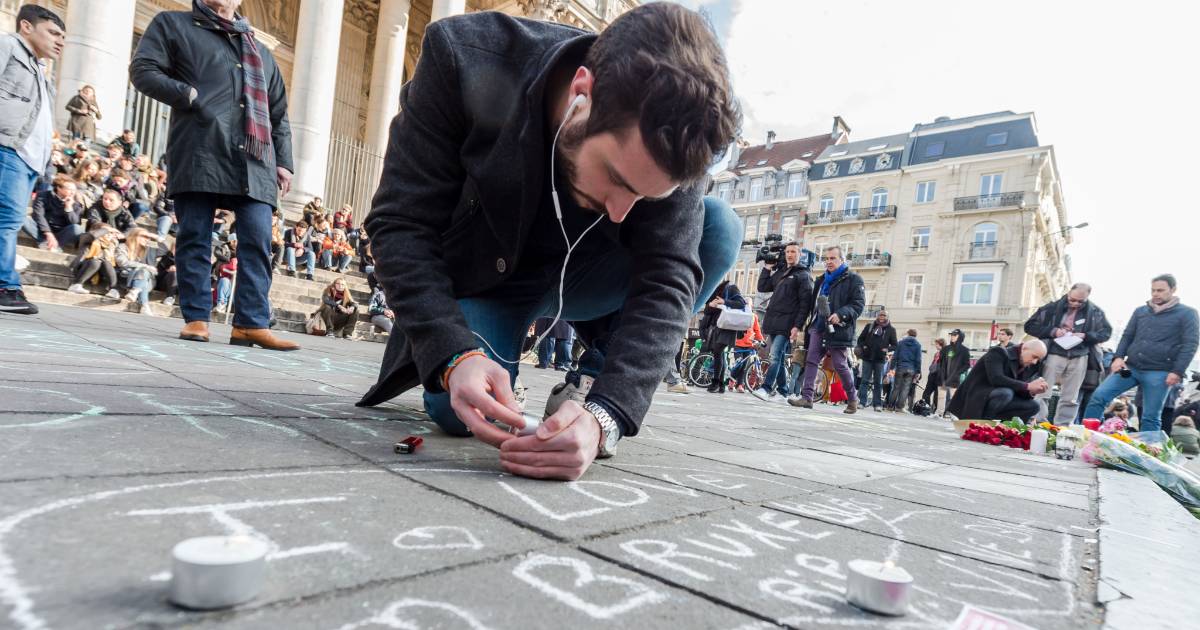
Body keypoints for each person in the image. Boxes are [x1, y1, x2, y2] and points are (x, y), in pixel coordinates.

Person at [355, 4, 740, 481]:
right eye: (616, 178)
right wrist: (453, 355)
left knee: (720, 228)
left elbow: (669, 280)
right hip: (489, 278)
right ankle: (484, 358)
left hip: (592, 278)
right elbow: (400, 222)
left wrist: (606, 415)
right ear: (582, 93)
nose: (621, 211)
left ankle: (591, 383)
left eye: (645, 197)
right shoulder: (464, 55)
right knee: (460, 411)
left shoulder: (683, 136)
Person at [131, 0, 297, 350]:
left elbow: (278, 113)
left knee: (258, 240)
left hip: (255, 159)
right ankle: (196, 318)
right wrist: (187, 93)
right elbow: (143, 70)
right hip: (200, 147)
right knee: (195, 235)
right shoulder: (173, 24)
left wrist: (283, 161)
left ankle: (250, 324)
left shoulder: (261, 51)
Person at [0, 5, 64, 314]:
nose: (60, 41)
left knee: (9, 221)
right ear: (26, 26)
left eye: (62, 36)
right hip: (7, 148)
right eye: (53, 33)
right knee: (7, 220)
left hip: (29, 160)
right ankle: (5, 286)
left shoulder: (41, 71)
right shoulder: (8, 46)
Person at [1083, 274, 1200, 433]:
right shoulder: (1141, 311)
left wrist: (1177, 371)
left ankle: (1150, 446)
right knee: (1099, 396)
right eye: (1153, 290)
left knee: (1150, 416)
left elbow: (1190, 344)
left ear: (1173, 289)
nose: (1155, 294)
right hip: (1131, 368)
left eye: (1160, 290)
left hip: (1160, 372)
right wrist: (1118, 357)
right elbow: (1127, 336)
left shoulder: (1187, 313)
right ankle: (1088, 435)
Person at [1023, 283, 1113, 425]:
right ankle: (1039, 422)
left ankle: (1063, 427)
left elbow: (1106, 333)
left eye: (1080, 301)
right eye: (1072, 300)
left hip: (1080, 355)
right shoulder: (1051, 308)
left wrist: (1086, 335)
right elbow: (1029, 326)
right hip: (1053, 353)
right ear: (1068, 292)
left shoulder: (1096, 312)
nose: (1075, 304)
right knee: (1042, 391)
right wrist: (1053, 331)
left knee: (1071, 396)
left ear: (1087, 297)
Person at [790, 245, 866, 413]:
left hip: (838, 329)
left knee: (840, 364)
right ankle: (807, 397)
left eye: (833, 258)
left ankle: (852, 398)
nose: (829, 262)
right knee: (811, 360)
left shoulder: (854, 279)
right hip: (818, 326)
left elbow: (858, 305)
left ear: (842, 260)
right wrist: (801, 325)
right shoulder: (821, 280)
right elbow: (812, 305)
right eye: (826, 259)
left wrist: (841, 314)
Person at [752, 242, 813, 402]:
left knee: (774, 355)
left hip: (788, 322)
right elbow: (763, 286)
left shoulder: (803, 275)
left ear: (800, 254)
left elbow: (805, 304)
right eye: (787, 252)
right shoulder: (781, 272)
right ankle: (783, 391)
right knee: (777, 356)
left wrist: (797, 326)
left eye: (793, 252)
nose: (789, 254)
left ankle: (766, 388)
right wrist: (767, 268)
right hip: (773, 320)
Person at [946, 340, 1050, 421]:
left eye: (1038, 359)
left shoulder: (1027, 365)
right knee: (1006, 393)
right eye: (1034, 357)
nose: (1035, 362)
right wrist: (1028, 386)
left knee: (1034, 406)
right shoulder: (998, 352)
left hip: (998, 400)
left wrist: (1032, 391)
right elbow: (996, 379)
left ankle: (1009, 429)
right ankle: (984, 424)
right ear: (1024, 348)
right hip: (976, 398)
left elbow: (1018, 389)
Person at [700, 281, 746, 394]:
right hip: (717, 327)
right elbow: (707, 312)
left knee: (718, 351)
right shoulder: (712, 293)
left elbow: (741, 304)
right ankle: (721, 385)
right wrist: (710, 305)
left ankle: (715, 382)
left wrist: (724, 302)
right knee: (718, 354)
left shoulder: (731, 288)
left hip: (728, 327)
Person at [23, 174, 84, 251]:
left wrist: (69, 208)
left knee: (77, 228)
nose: (72, 192)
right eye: (69, 189)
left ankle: (54, 246)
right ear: (59, 188)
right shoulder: (43, 196)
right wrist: (48, 233)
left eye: (74, 190)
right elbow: (38, 215)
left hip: (61, 233)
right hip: (42, 229)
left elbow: (75, 223)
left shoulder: (76, 203)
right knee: (21, 218)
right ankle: (46, 243)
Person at [856, 310, 898, 412]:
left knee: (878, 382)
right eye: (880, 315)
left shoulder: (891, 330)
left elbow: (895, 345)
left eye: (884, 315)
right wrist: (864, 346)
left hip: (880, 359)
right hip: (867, 357)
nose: (882, 317)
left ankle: (877, 404)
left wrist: (887, 349)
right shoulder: (870, 326)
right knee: (864, 381)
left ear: (887, 317)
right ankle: (862, 402)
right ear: (877, 316)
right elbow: (860, 339)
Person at [66, 227, 120, 298]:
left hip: (100, 274)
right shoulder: (87, 239)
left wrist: (119, 234)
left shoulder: (112, 245)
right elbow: (93, 235)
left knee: (106, 263)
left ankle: (113, 289)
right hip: (83, 268)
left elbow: (128, 239)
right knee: (95, 261)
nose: (111, 235)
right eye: (108, 233)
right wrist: (107, 229)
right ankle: (76, 285)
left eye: (112, 233)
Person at [115, 227, 158, 315]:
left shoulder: (147, 251)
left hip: (147, 280)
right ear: (134, 236)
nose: (147, 239)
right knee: (144, 271)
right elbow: (122, 262)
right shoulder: (122, 247)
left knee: (144, 272)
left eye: (148, 237)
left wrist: (153, 237)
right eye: (144, 236)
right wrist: (145, 266)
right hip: (125, 277)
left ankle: (135, 291)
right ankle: (144, 305)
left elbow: (162, 250)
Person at [731, 299, 765, 393]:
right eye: (745, 303)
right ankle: (732, 379)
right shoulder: (739, 314)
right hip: (738, 343)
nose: (747, 305)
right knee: (739, 364)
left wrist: (761, 340)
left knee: (744, 366)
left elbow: (757, 330)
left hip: (749, 344)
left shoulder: (754, 316)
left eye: (748, 304)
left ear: (751, 306)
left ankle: (739, 385)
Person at [937, 329, 971, 417]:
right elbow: (940, 362)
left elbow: (967, 365)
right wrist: (940, 372)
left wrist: (957, 373)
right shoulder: (946, 348)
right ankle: (939, 413)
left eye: (955, 335)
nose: (952, 337)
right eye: (951, 335)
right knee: (941, 396)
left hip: (954, 378)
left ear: (960, 337)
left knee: (954, 397)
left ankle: (953, 414)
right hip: (943, 377)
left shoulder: (964, 350)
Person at [887, 329, 922, 412]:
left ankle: (890, 406)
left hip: (901, 367)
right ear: (915, 335)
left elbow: (895, 356)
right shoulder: (918, 345)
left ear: (908, 334)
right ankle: (899, 407)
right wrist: (918, 371)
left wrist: (891, 368)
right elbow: (918, 359)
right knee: (905, 389)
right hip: (911, 369)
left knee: (896, 387)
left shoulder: (901, 343)